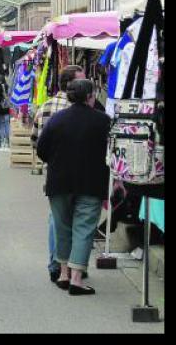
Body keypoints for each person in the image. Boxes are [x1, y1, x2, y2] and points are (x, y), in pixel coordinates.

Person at [37, 79, 110, 296]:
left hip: (59, 182)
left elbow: (41, 150)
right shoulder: (104, 121)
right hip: (91, 182)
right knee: (84, 229)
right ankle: (77, 280)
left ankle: (63, 274)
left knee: (62, 227)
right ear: (91, 96)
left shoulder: (57, 120)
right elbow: (112, 154)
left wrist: (57, 161)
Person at [30, 65, 85, 283]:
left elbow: (35, 139)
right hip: (80, 170)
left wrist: (49, 160)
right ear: (71, 83)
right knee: (76, 218)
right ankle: (72, 264)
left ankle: (57, 263)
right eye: (81, 80)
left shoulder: (45, 106)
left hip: (53, 170)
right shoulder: (79, 108)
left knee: (57, 217)